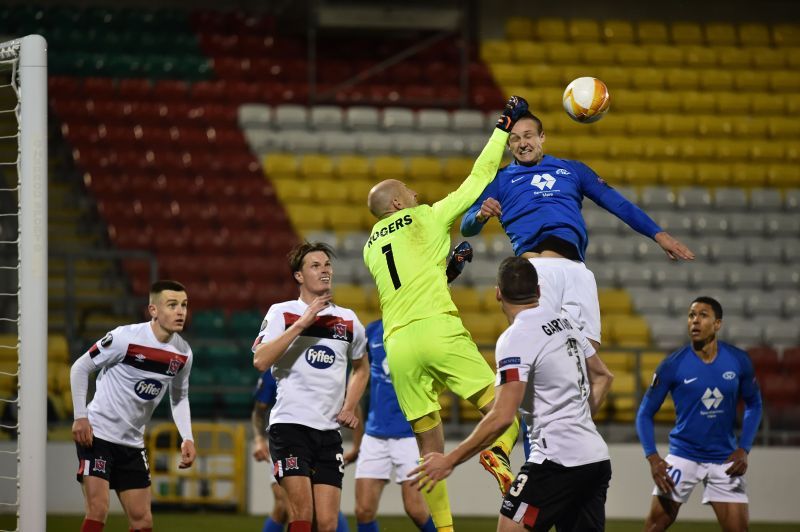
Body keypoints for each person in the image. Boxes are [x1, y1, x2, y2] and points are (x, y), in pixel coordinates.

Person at [363, 96, 530, 531]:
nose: (416, 194)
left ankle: (446, 530)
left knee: (427, 450)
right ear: (399, 204)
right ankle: (497, 453)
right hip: (438, 329)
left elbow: (410, 282)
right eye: (409, 192)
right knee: (503, 411)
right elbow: (478, 180)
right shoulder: (426, 217)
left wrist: (448, 268)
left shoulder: (370, 249)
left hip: (397, 346)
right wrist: (504, 124)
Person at [460, 111, 694, 354]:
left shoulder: (572, 170)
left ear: (542, 137)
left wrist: (658, 234)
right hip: (537, 272)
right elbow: (467, 227)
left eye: (528, 136)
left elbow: (617, 203)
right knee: (541, 355)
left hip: (577, 271)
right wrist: (480, 215)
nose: (522, 144)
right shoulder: (500, 180)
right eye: (515, 139)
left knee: (588, 355)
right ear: (508, 145)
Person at [413, 257, 614, 531]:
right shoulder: (566, 324)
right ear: (539, 291)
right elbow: (604, 377)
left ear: (498, 293)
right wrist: (579, 421)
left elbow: (503, 416)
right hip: (595, 459)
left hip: (557, 462)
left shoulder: (515, 338)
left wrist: (450, 460)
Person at [253, 242, 369, 532]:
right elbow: (260, 360)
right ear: (299, 276)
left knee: (328, 524)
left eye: (327, 264)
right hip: (290, 427)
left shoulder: (349, 319)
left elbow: (362, 368)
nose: (324, 270)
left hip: (329, 432)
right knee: (302, 514)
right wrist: (301, 325)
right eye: (315, 266)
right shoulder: (282, 312)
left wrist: (349, 405)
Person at [70, 280, 196, 532]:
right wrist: (80, 416)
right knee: (98, 509)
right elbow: (80, 367)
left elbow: (179, 397)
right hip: (98, 435)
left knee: (143, 520)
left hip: (132, 443)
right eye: (172, 305)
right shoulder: (124, 338)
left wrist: (188, 438)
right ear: (153, 310)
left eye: (183, 305)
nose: (180, 311)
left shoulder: (183, 354)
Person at [635, 296, 763, 531]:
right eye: (691, 315)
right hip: (683, 455)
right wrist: (652, 457)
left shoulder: (738, 361)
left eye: (703, 315)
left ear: (717, 324)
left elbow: (754, 404)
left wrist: (744, 449)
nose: (695, 321)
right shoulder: (672, 365)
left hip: (725, 459)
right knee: (653, 527)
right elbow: (644, 412)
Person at [350, 318, 437, 532]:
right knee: (363, 510)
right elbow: (359, 375)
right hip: (375, 434)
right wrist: (357, 443)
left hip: (409, 435)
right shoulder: (372, 330)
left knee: (415, 509)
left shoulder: (421, 329)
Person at [252, 370, 350, 532]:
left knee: (324, 514)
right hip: (288, 440)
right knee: (286, 507)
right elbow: (258, 410)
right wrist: (258, 440)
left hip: (324, 440)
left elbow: (352, 398)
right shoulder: (280, 361)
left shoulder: (332, 362)